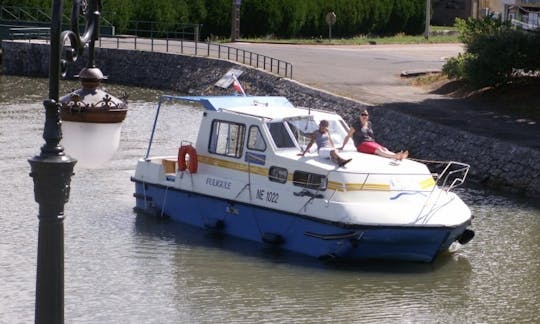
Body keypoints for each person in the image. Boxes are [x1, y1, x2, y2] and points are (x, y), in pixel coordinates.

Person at [340, 109, 408, 160]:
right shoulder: (355, 125)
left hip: (371, 142)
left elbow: (370, 135)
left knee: (384, 148)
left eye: (366, 115)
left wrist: (373, 142)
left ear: (368, 116)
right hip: (361, 144)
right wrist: (342, 147)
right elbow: (348, 136)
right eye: (362, 114)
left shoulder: (369, 124)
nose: (364, 116)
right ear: (360, 116)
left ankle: (399, 156)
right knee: (379, 150)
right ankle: (395, 156)